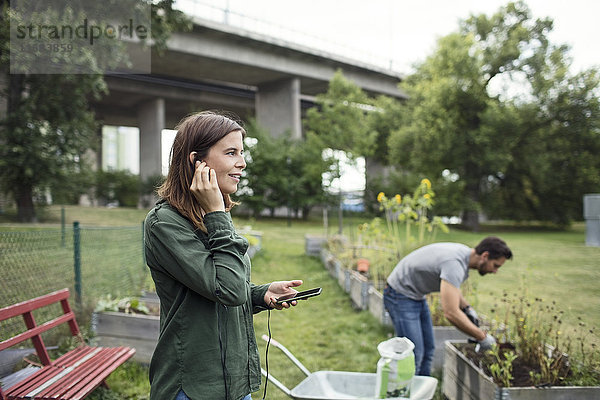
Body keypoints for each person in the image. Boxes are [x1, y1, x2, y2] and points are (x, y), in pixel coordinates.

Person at [144, 110, 302, 400]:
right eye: (231, 153)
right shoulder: (165, 224)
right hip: (194, 387)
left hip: (234, 383)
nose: (241, 163)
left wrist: (259, 294)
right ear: (196, 160)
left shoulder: (209, 215)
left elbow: (217, 287)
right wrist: (218, 213)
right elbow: (226, 289)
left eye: (242, 153)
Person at [383, 237, 512, 376]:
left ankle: (422, 392)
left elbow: (452, 287)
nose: (495, 271)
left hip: (416, 295)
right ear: (485, 256)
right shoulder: (454, 264)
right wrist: (482, 337)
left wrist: (467, 308)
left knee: (428, 350)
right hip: (399, 294)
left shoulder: (463, 256)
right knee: (414, 354)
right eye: (496, 265)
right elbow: (451, 313)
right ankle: (402, 394)